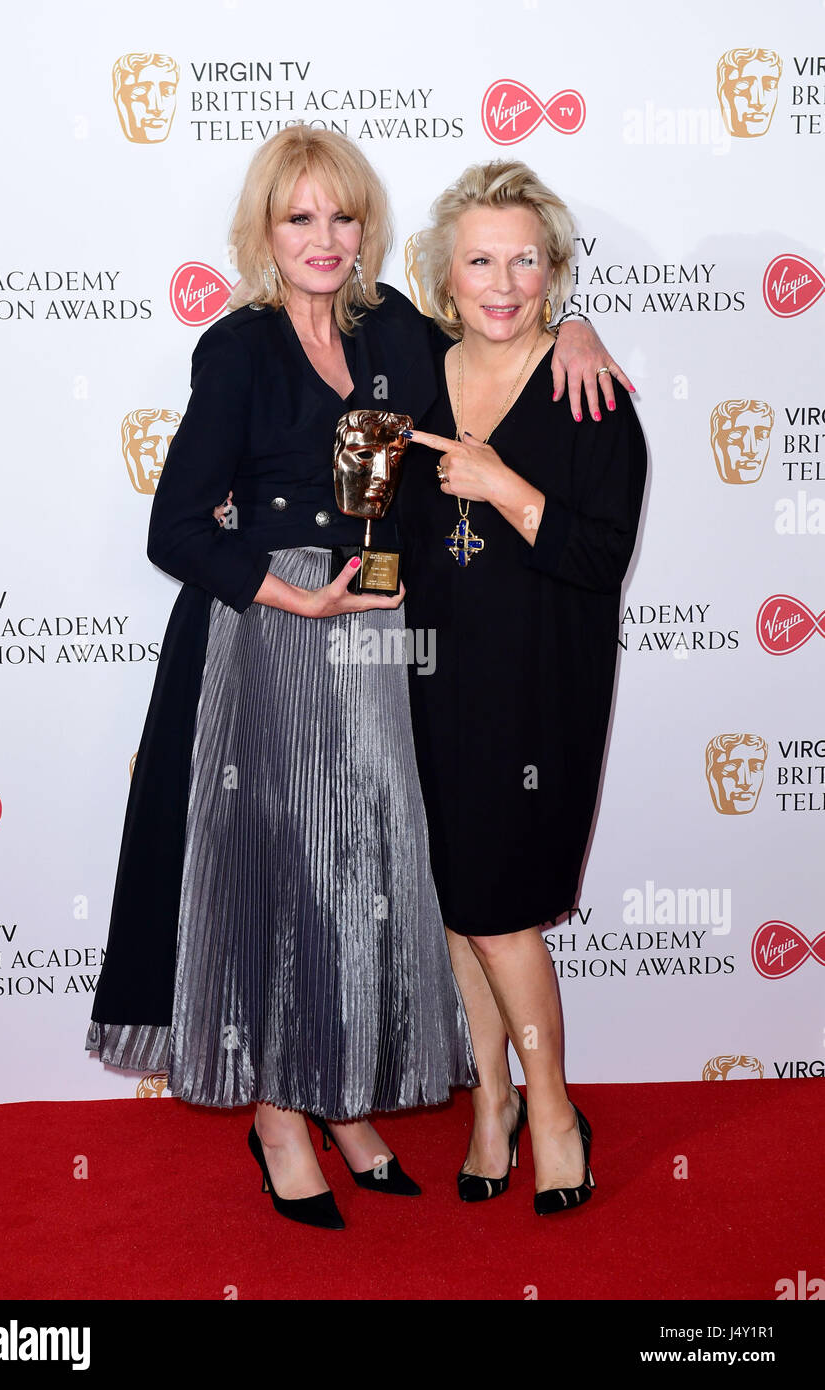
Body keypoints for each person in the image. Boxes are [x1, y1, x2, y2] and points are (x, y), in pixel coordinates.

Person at [87, 127, 625, 1231]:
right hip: (276, 640)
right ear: (264, 232)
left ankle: (342, 1103)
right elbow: (176, 529)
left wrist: (577, 323)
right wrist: (296, 594)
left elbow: (502, 312)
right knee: (285, 876)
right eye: (298, 219)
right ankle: (282, 1117)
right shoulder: (235, 348)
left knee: (359, 876)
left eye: (340, 217)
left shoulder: (392, 326)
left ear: (366, 227)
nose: (323, 239)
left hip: (382, 639)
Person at [398, 160, 647, 1213]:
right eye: (480, 261)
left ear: (553, 273)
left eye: (526, 262)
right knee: (459, 908)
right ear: (443, 275)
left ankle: (548, 1104)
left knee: (500, 912)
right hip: (427, 674)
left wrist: (501, 484)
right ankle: (488, 1100)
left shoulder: (583, 389)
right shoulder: (414, 371)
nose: (503, 284)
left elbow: (599, 556)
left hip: (538, 684)